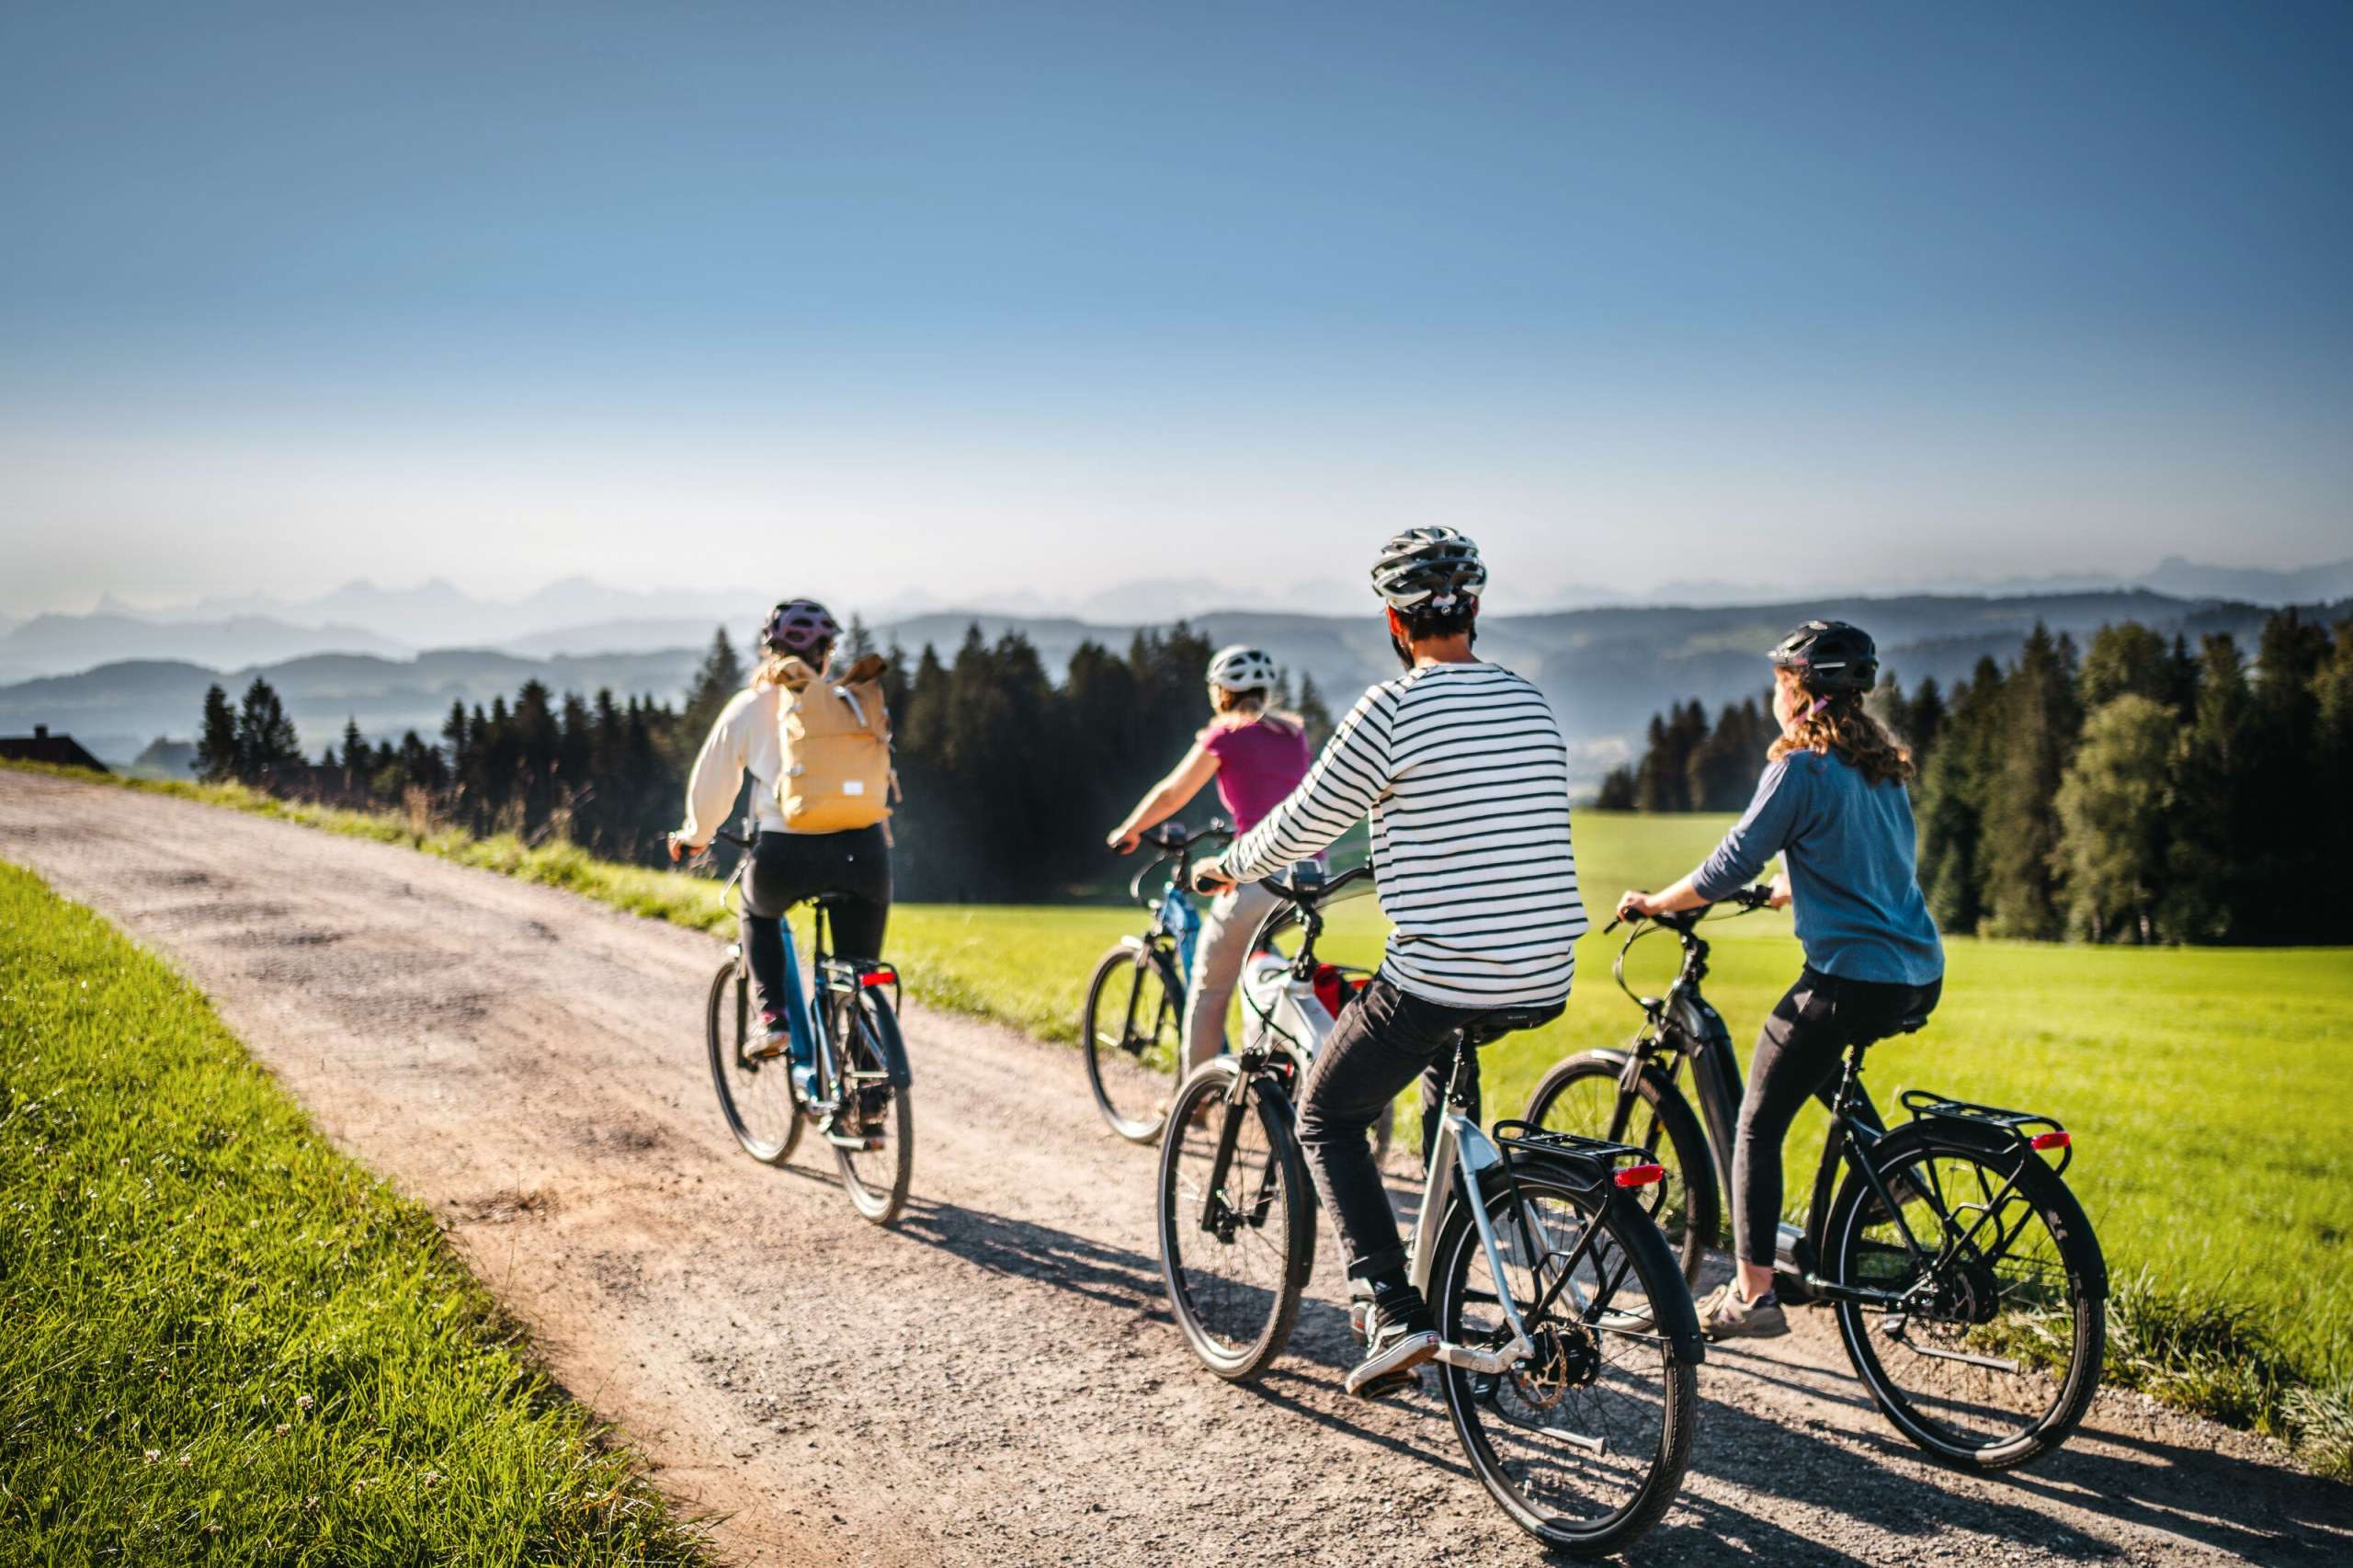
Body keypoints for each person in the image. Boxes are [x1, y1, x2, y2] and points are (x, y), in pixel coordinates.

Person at [1196, 528, 1587, 1398]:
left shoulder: (1392, 707)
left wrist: (1229, 865)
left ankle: (1391, 1309)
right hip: (1545, 968)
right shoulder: (1529, 700)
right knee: (1444, 1085)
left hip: (1445, 974)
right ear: (1474, 610)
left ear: (1393, 622)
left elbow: (1305, 821)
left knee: (1326, 1113)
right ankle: (1448, 1254)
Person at [1614, 619, 1943, 1341]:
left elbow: (1729, 862)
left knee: (1757, 1123)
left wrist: (1656, 903)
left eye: (1778, 681)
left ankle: (1752, 1295)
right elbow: (1870, 857)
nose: (1772, 695)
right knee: (1814, 1053)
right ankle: (1888, 1172)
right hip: (1917, 971)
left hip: (1852, 976)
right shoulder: (1878, 765)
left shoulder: (1799, 767)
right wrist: (1786, 890)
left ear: (1798, 690)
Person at [670, 598, 892, 1068]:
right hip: (865, 852)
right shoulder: (851, 702)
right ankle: (870, 1092)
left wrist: (695, 835)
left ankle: (772, 1017)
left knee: (756, 911)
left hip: (786, 854)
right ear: (827, 653)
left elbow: (712, 784)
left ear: (769, 650)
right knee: (858, 975)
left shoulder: (750, 706)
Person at [1106, 644, 1314, 1071]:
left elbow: (1172, 794)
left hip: (1259, 873)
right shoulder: (1293, 734)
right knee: (1258, 962)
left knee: (1209, 988)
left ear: (1220, 693)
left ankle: (1194, 1096)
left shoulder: (1226, 734)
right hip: (1311, 875)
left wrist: (1130, 829)